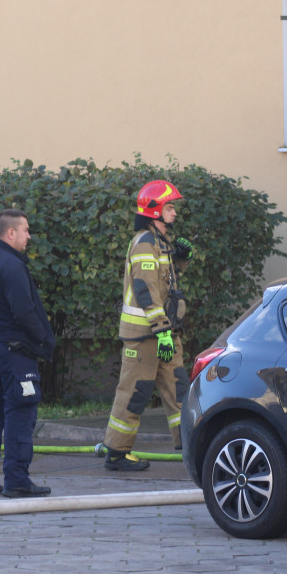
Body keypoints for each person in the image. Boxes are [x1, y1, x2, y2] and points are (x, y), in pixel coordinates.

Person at [102, 180, 194, 471]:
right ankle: (116, 453)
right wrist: (162, 329)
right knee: (134, 392)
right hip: (145, 336)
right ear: (155, 210)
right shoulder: (144, 242)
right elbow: (145, 289)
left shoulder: (159, 242)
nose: (174, 212)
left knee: (180, 391)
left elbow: (165, 281)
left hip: (164, 334)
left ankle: (192, 447)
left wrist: (180, 260)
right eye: (169, 207)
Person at [0, 209, 56, 498]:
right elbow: (25, 311)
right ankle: (17, 480)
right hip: (14, 351)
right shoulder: (12, 266)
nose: (29, 236)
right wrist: (43, 341)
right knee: (20, 411)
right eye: (26, 230)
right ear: (10, 233)